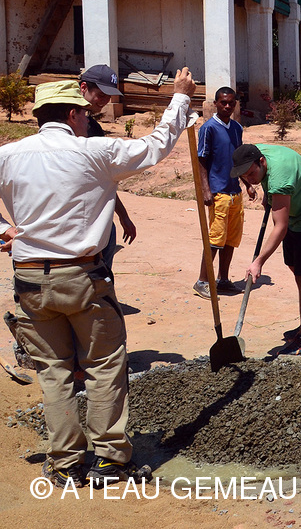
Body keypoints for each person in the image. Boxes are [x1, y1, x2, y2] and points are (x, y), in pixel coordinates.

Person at [0, 69, 196, 487]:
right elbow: (155, 146)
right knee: (104, 365)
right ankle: (108, 459)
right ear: (73, 114)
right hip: (82, 276)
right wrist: (179, 97)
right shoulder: (92, 152)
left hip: (30, 279)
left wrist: (3, 232)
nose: (88, 118)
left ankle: (65, 463)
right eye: (85, 114)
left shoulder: (9, 154)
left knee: (53, 371)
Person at [234, 143, 301, 356]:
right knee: (295, 266)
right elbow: (250, 173)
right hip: (295, 211)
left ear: (262, 162)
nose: (249, 178)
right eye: (244, 176)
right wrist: (261, 189)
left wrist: (258, 262)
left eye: (252, 174)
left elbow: (280, 227)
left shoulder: (279, 177)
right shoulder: (254, 154)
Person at [194, 86, 253, 300]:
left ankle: (223, 279)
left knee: (231, 238)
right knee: (215, 238)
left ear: (235, 104)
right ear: (216, 104)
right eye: (223, 102)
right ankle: (203, 281)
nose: (227, 106)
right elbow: (202, 160)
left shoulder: (236, 128)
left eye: (231, 103)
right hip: (218, 191)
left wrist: (247, 183)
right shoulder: (208, 128)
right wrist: (205, 189)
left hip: (234, 191)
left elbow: (238, 160)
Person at [77, 65, 135, 270]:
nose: (105, 101)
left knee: (103, 274)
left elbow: (104, 180)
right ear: (83, 88)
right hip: (79, 220)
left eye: (109, 97)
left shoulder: (94, 129)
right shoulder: (63, 129)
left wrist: (123, 215)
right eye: (101, 95)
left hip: (101, 217)